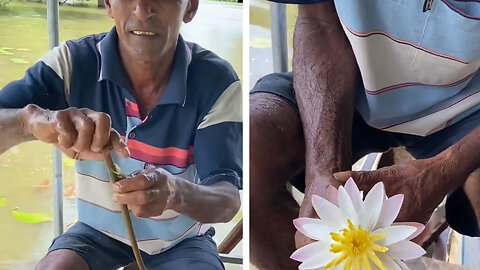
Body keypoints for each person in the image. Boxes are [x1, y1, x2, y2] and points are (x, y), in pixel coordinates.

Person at [0, 0, 242, 268]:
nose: (142, 9)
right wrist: (28, 122)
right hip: (95, 232)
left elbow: (227, 200)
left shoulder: (216, 82)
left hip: (181, 241)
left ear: (190, 7)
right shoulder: (72, 64)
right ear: (108, 4)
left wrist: (175, 192)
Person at [250, 0, 480, 269]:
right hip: (347, 83)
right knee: (252, 159)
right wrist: (323, 168)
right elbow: (319, 21)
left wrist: (442, 169)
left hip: (467, 111)